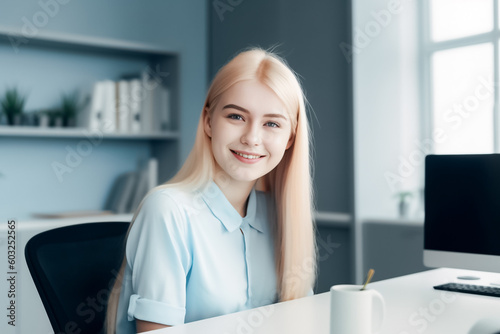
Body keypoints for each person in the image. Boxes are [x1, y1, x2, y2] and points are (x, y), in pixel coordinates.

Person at [105, 47, 317, 333]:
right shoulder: (168, 211)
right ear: (208, 122)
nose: (252, 138)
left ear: (290, 139)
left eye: (271, 123)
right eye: (236, 117)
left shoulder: (279, 214)